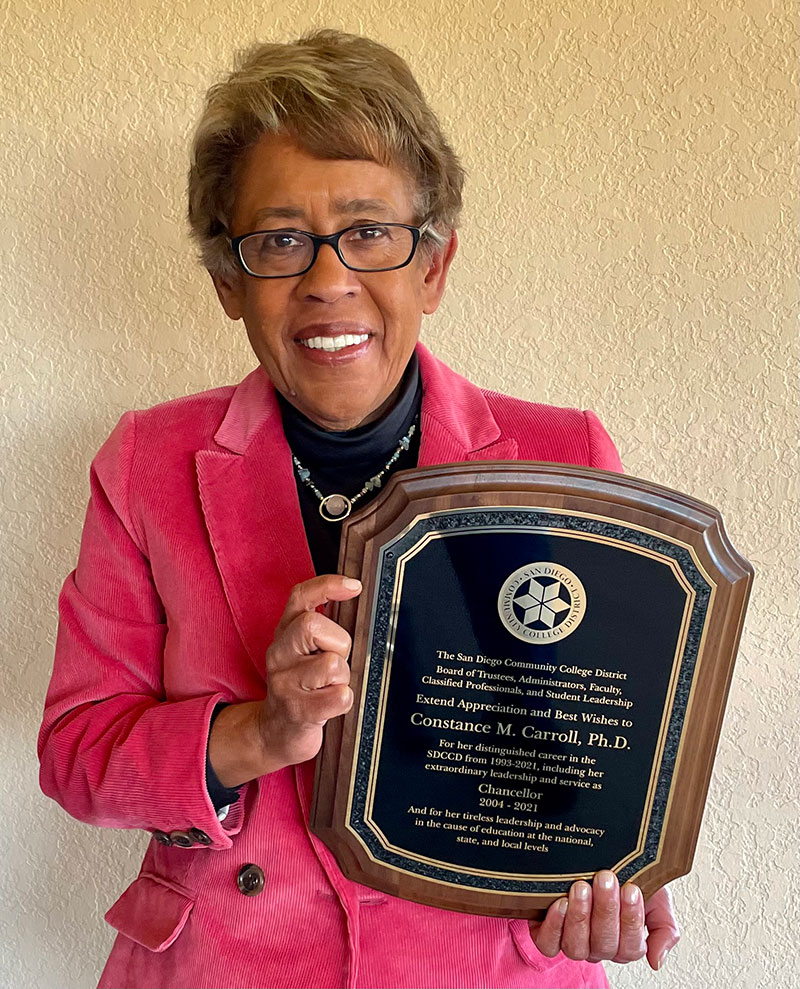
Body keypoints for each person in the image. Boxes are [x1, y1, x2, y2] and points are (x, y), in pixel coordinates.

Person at [38, 28, 679, 989]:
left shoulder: (564, 456)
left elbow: (596, 746)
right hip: (227, 966)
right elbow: (77, 753)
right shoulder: (148, 463)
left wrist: (609, 885)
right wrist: (259, 730)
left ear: (434, 264)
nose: (329, 279)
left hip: (480, 968)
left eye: (369, 230)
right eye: (280, 239)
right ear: (227, 282)